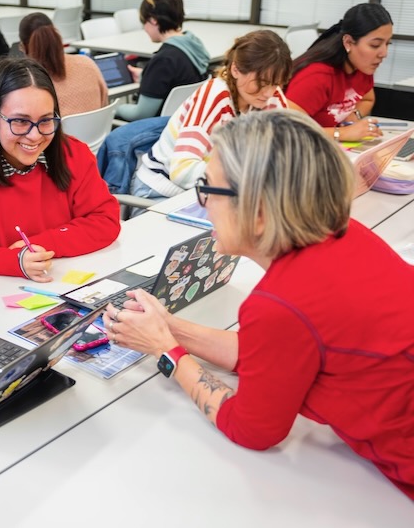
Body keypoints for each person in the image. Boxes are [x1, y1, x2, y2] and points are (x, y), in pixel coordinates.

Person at [102, 109, 414, 500]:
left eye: (209, 191)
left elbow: (252, 429)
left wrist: (166, 351)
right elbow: (278, 357)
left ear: (260, 212)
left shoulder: (280, 304)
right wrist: (171, 327)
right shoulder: (350, 236)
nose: (203, 204)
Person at [0, 58, 121, 285]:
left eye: (45, 121)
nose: (34, 136)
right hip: (5, 294)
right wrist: (12, 260)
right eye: (20, 122)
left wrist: (41, 245)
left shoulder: (73, 154)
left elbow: (105, 220)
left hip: (73, 281)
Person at [127, 29, 291, 207]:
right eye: (262, 83)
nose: (268, 93)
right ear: (235, 69)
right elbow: (182, 170)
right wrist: (243, 179)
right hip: (162, 192)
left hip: (215, 192)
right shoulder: (216, 96)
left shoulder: (271, 97)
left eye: (276, 84)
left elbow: (285, 154)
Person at [286, 3, 392, 143]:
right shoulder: (317, 76)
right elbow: (288, 129)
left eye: (388, 44)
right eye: (375, 45)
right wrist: (342, 133)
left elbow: (367, 99)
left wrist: (354, 115)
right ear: (348, 42)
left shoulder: (362, 68)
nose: (384, 53)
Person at [116, 0, 210, 122]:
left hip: (160, 130)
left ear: (153, 20)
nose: (144, 28)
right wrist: (146, 75)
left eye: (144, 22)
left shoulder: (164, 60)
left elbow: (140, 114)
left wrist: (115, 109)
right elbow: (176, 77)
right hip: (186, 123)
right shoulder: (194, 46)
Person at [18, 12, 107, 117]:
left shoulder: (28, 82)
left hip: (59, 133)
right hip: (97, 132)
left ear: (23, 47)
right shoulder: (88, 63)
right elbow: (105, 103)